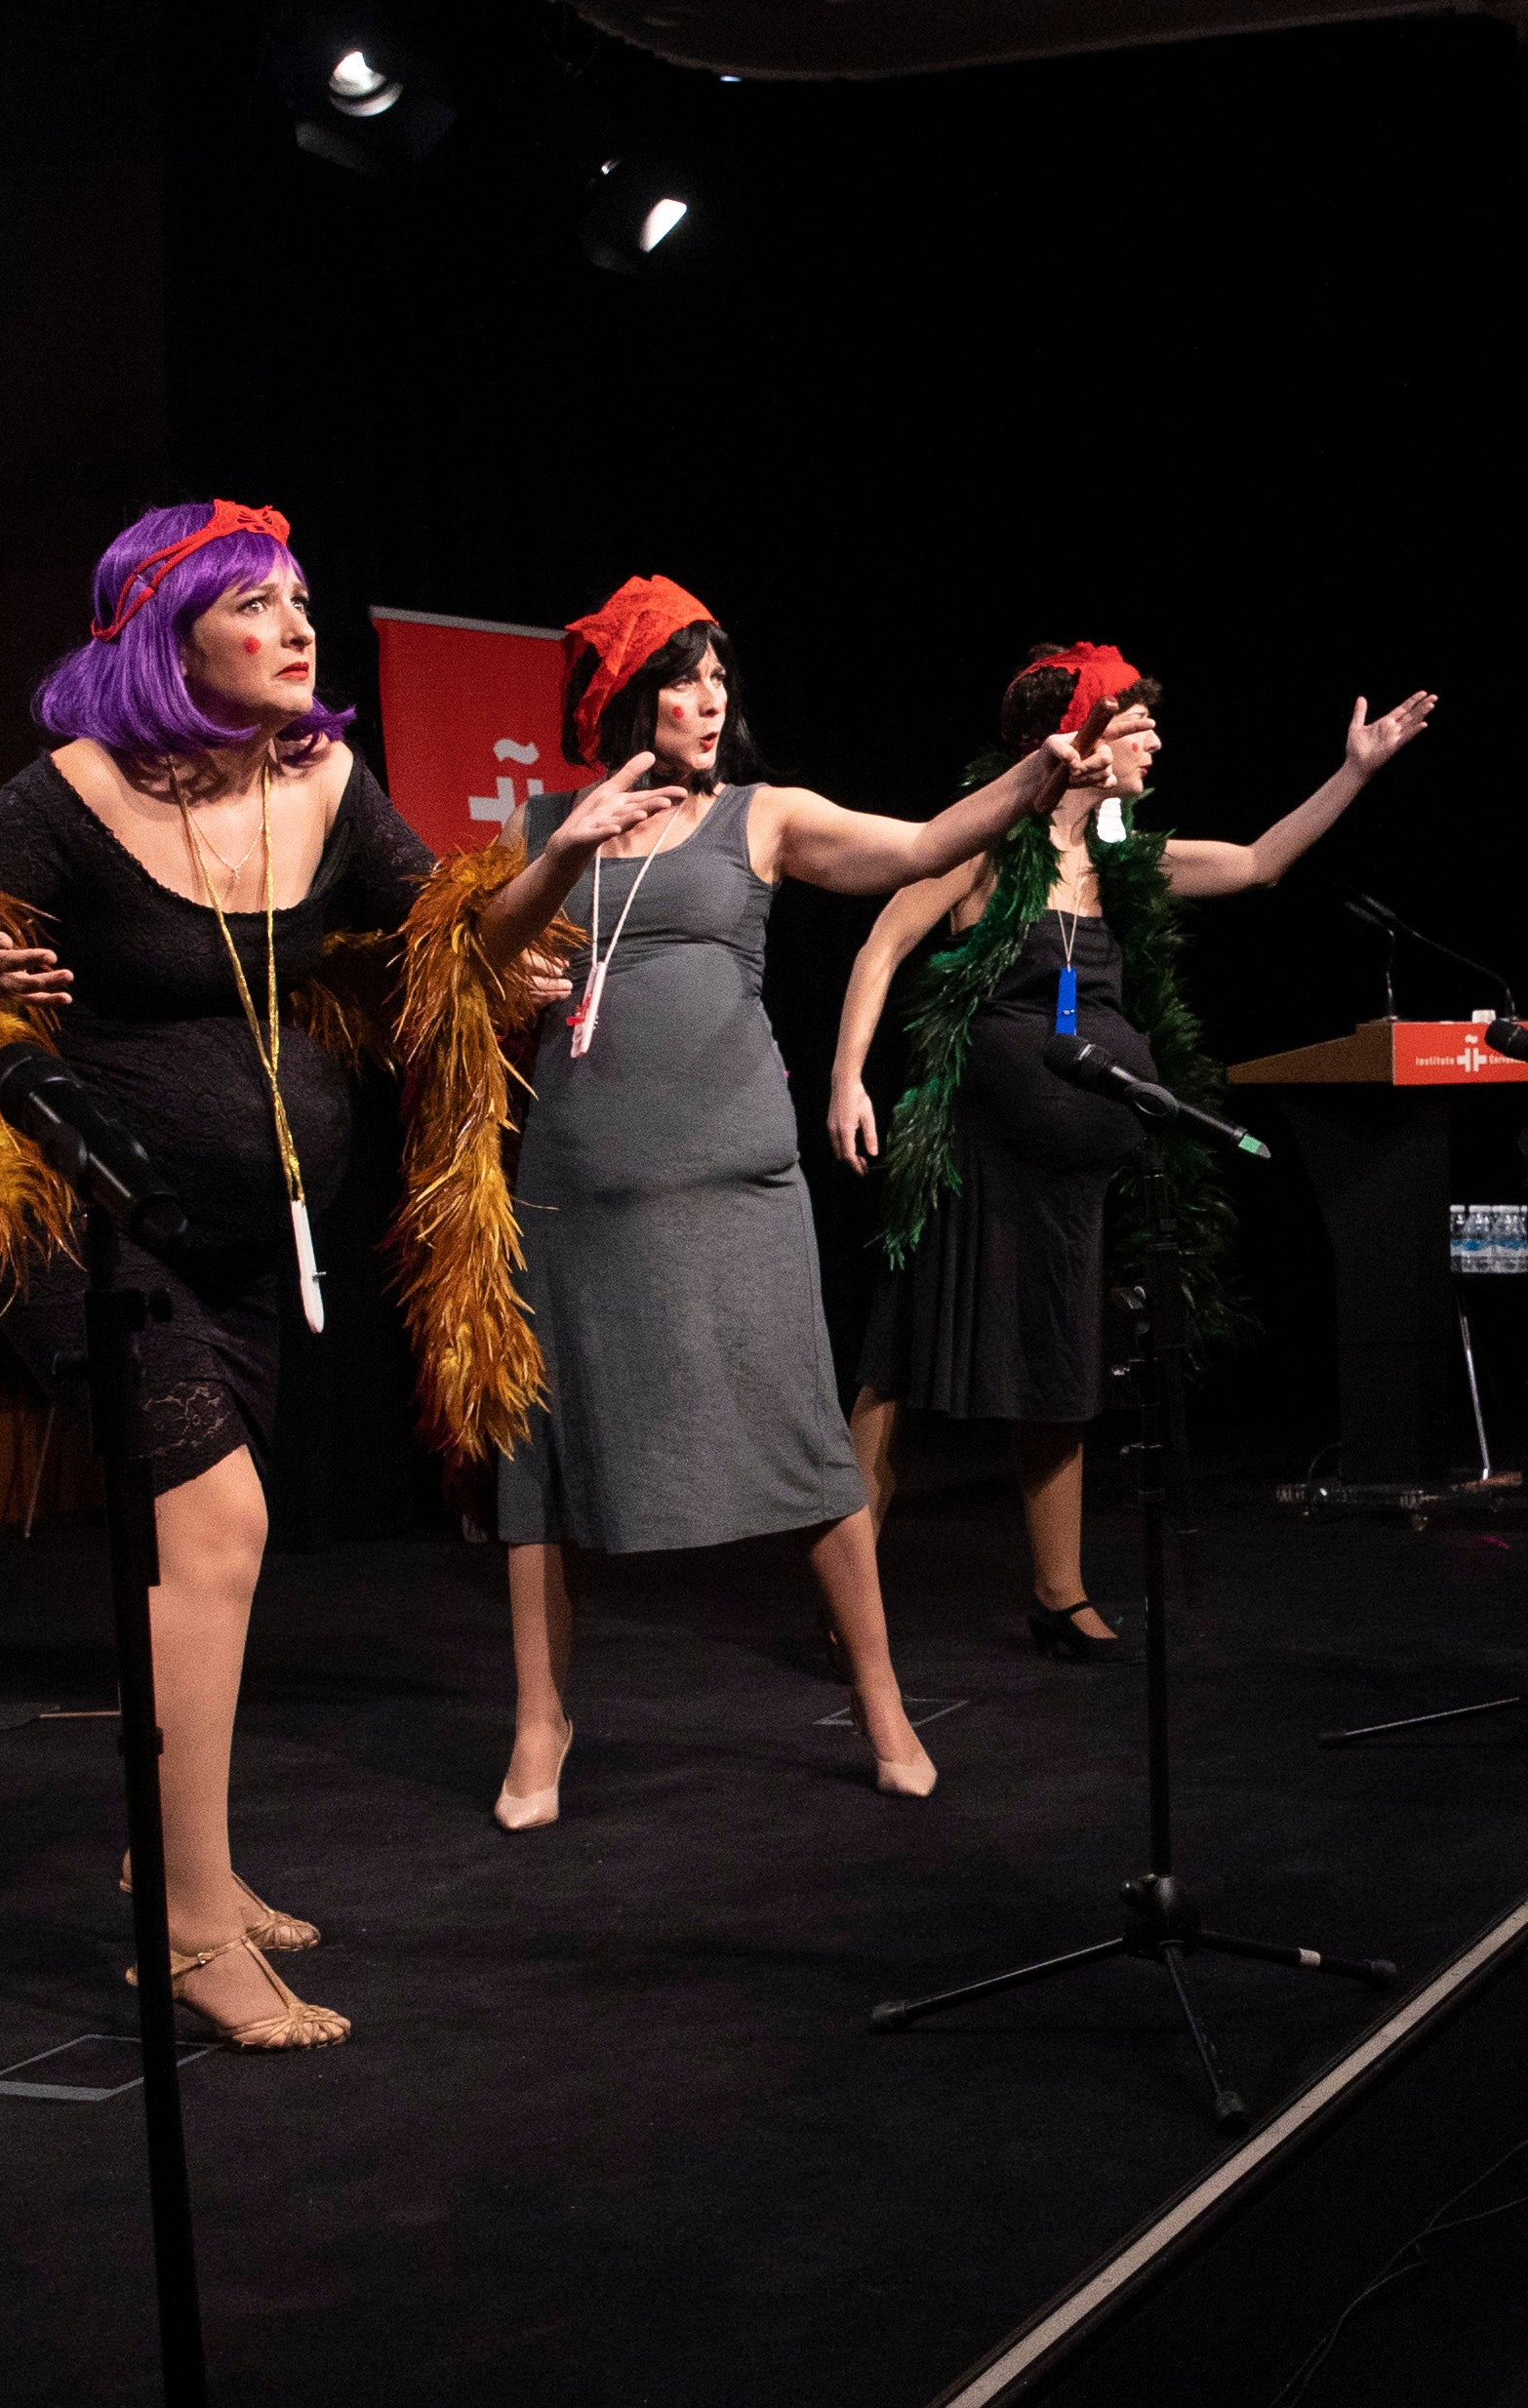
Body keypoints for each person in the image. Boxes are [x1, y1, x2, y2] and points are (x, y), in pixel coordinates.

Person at [0, 497, 563, 2053]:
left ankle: (181, 1858)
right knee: (218, 1530)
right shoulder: (73, 798)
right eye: (255, 604)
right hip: (95, 1236)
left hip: (247, 1240)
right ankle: (189, 1932)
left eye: (300, 599)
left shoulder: (328, 783)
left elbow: (446, 928)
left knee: (213, 1558)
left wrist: (550, 897)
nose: (297, 626)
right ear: (171, 634)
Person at [468, 578, 1107, 1824]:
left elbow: (916, 848)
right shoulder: (553, 821)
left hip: (733, 1176)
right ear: (624, 698)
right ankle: (540, 1725)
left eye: (717, 678)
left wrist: (1035, 777)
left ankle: (881, 1703)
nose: (707, 700)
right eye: (679, 679)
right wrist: (557, 863)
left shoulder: (761, 815)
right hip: (579, 1181)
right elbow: (481, 960)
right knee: (538, 1459)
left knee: (807, 1444)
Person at [829, 647, 1436, 1650]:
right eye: (1135, 723)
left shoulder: (1124, 866)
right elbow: (882, 945)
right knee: (900, 1370)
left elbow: (1256, 863)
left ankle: (1058, 1596)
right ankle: (844, 1594)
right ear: (1075, 740)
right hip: (971, 1158)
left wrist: (1354, 773)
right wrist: (849, 1077)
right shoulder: (985, 847)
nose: (1156, 739)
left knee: (1060, 1371)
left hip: (1071, 1179)